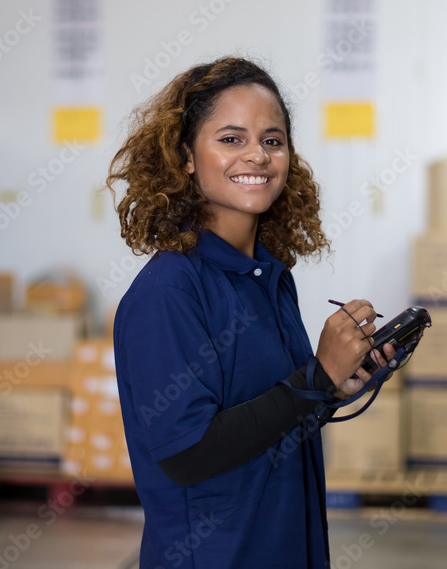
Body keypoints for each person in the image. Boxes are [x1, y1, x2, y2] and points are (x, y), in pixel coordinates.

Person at [106, 57, 395, 568]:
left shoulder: (270, 278)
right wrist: (316, 374)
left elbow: (273, 415)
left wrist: (332, 386)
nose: (258, 156)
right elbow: (187, 453)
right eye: (232, 139)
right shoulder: (169, 291)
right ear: (187, 157)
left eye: (273, 140)